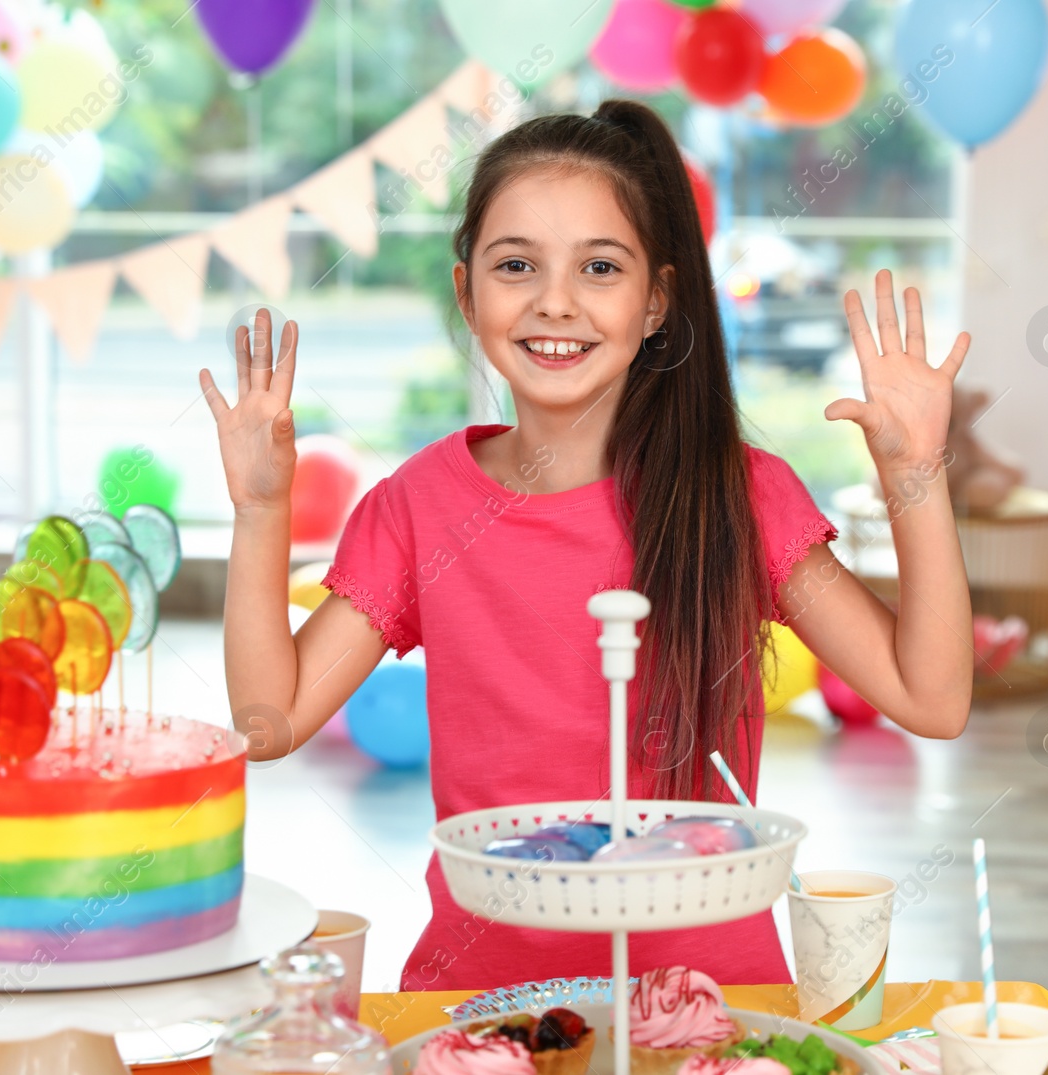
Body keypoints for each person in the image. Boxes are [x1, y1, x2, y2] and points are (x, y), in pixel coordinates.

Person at [200, 98, 973, 991]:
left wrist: (918, 474)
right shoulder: (419, 505)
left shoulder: (737, 495)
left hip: (712, 1008)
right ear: (467, 293)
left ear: (657, 301)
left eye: (599, 267)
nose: (554, 301)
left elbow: (933, 697)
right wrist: (260, 512)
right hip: (481, 1007)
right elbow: (267, 721)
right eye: (516, 265)